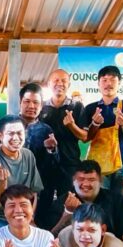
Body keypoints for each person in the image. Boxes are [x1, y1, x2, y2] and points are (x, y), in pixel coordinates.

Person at [0, 115, 44, 236]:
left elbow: (34, 192)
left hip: (23, 215)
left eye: (19, 133)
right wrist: (0, 183)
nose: (16, 138)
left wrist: (30, 218)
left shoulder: (28, 155)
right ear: (0, 136)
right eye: (10, 133)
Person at [81, 66, 123, 195]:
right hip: (98, 167)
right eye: (104, 80)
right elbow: (85, 138)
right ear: (98, 84)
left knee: (122, 201)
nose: (108, 84)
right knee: (100, 201)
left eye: (112, 79)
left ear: (120, 83)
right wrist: (95, 124)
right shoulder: (90, 108)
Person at [48, 160, 123, 239]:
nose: (85, 184)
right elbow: (50, 238)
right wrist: (68, 213)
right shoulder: (61, 202)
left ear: (100, 180)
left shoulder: (118, 201)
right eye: (81, 179)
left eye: (91, 179)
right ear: (73, 181)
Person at [38, 68, 87, 206]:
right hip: (45, 164)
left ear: (69, 85)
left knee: (68, 202)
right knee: (43, 203)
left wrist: (72, 125)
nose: (60, 83)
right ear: (49, 84)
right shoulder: (40, 107)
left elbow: (84, 137)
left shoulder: (77, 107)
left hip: (69, 164)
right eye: (56, 80)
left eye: (64, 81)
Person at [18, 83, 62, 230]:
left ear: (41, 105)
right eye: (27, 101)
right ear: (20, 102)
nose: (31, 106)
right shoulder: (7, 124)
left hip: (40, 191)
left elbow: (54, 165)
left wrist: (51, 149)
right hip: (12, 187)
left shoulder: (46, 130)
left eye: (36, 102)